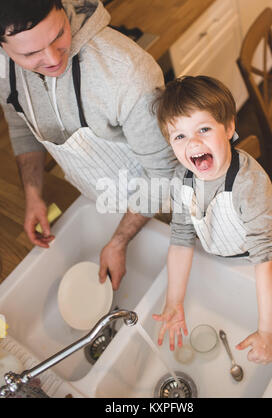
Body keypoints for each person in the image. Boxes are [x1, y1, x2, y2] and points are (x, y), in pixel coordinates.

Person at [0, 0, 177, 290]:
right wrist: (33, 195)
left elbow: (164, 173)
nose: (53, 58)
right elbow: (21, 122)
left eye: (59, 35)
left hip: (171, 208)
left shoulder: (125, 71)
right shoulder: (4, 68)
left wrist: (119, 240)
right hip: (101, 204)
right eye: (30, 53)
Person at [152, 75, 272, 364]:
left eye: (203, 129)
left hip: (264, 257)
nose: (192, 143)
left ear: (229, 127)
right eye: (179, 136)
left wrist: (268, 332)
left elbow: (264, 261)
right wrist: (174, 300)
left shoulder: (249, 184)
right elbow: (181, 238)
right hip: (224, 252)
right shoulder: (181, 179)